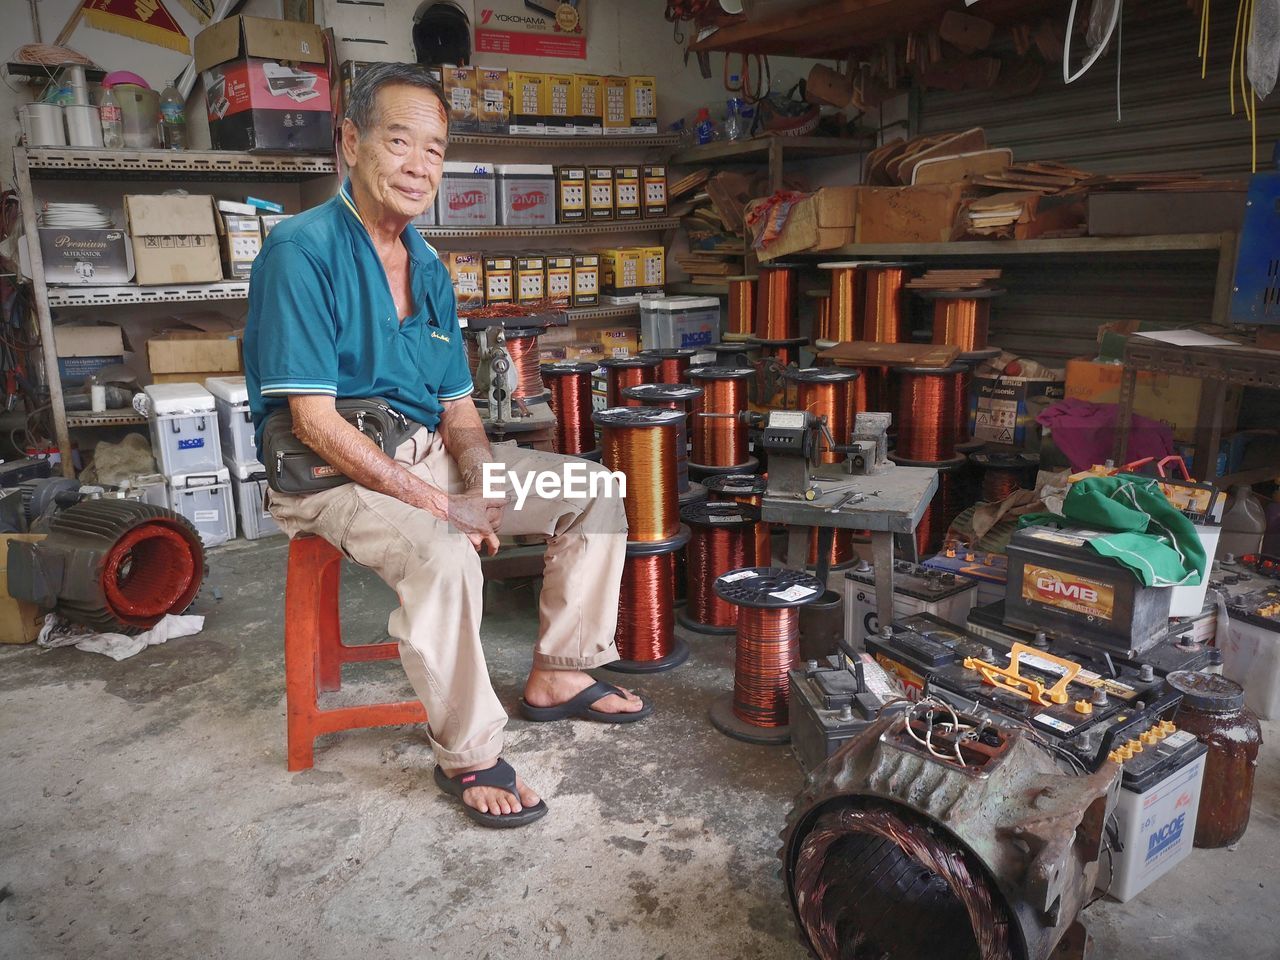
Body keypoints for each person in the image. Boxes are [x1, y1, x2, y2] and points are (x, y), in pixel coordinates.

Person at [244, 62, 647, 829]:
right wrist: (444, 506)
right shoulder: (303, 251)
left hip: (426, 455)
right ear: (350, 142)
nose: (419, 165)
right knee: (443, 552)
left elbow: (459, 406)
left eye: (434, 150)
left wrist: (482, 478)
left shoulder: (430, 267)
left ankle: (561, 675)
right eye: (400, 141)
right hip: (333, 474)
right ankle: (469, 754)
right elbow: (313, 423)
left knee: (595, 490)